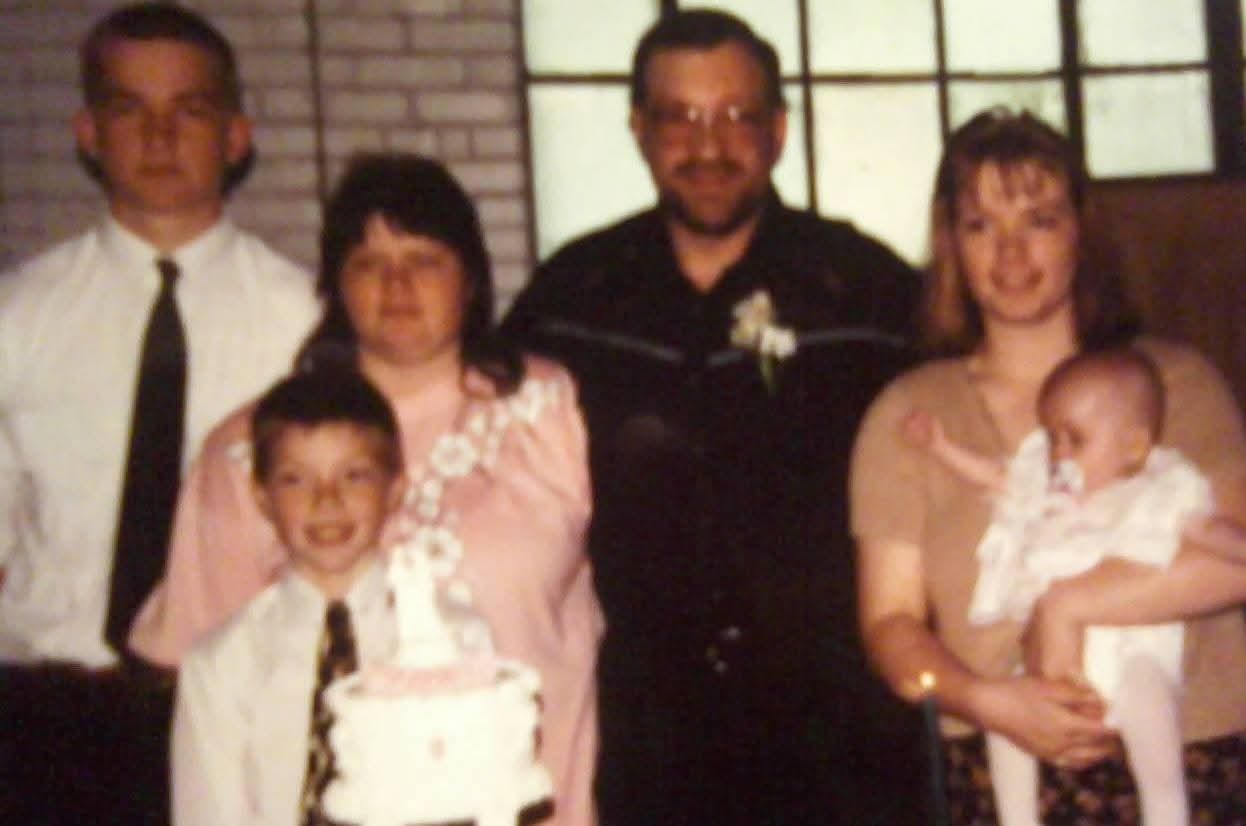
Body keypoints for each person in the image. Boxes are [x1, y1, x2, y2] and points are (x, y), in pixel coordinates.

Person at [501, 9, 927, 826]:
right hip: (647, 735)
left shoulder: (865, 291)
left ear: (778, 131)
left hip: (837, 736)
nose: (709, 146)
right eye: (679, 117)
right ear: (639, 129)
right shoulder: (573, 297)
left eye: (736, 115)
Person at [130, 152, 601, 826]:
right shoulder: (249, 452)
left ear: (470, 278)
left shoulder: (549, 411)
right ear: (335, 285)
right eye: (368, 264)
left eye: (424, 261)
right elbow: (199, 671)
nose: (397, 286)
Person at [851, 108, 1246, 825]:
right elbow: (891, 623)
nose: (1010, 252)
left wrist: (1068, 606)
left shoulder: (1172, 384)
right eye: (980, 225)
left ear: (1080, 234)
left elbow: (1235, 560)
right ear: (951, 244)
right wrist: (987, 700)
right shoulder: (911, 414)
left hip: (1196, 763)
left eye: (1038, 220)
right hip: (1008, 769)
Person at [0, 4, 316, 823]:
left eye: (191, 110)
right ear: (87, 133)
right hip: (46, 717)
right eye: (128, 108)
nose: (159, 135)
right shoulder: (18, 316)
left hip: (236, 712)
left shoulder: (302, 323)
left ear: (236, 136)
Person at [908, 347, 1211, 825]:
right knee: (1005, 713)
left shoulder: (1155, 491)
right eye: (1052, 438)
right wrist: (941, 447)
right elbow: (997, 477)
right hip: (1051, 657)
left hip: (1133, 651)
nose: (1059, 454)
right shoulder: (1047, 489)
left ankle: (1167, 816)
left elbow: (1206, 531)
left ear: (1133, 447)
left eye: (1076, 440)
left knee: (1153, 717)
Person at [172, 367, 405, 826]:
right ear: (262, 497)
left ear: (394, 489)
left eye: (354, 476)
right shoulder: (221, 664)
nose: (327, 501)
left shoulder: (452, 637)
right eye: (296, 479)